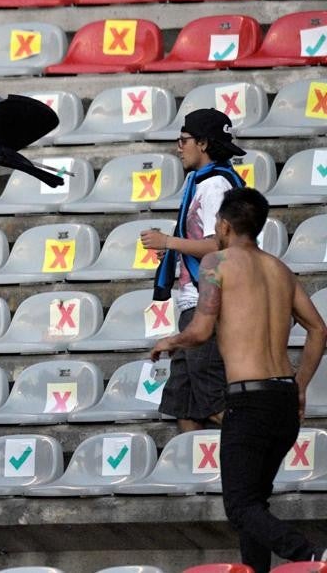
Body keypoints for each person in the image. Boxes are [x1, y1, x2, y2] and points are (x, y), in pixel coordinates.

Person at [151, 188, 327, 573]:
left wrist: (169, 340)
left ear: (224, 225)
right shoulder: (280, 269)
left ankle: (312, 555)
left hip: (248, 401)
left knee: (240, 506)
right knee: (254, 505)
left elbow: (199, 331)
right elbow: (318, 329)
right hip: (282, 400)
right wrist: (300, 384)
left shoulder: (217, 262)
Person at [141, 110, 247, 433]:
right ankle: (197, 478)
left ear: (202, 144)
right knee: (182, 401)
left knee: (213, 400)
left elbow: (219, 245)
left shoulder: (215, 184)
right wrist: (174, 248)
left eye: (183, 140)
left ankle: (251, 446)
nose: (179, 147)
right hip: (191, 301)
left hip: (209, 302)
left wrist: (170, 241)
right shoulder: (198, 181)